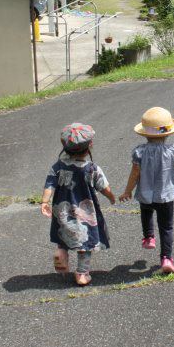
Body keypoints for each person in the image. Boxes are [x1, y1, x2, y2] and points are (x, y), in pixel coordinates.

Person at [120, 107, 174, 274]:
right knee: (166, 227)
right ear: (168, 133)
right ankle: (166, 259)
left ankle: (149, 237)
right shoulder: (173, 150)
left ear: (145, 133)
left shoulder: (140, 151)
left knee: (146, 213)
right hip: (166, 195)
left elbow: (135, 173)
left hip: (145, 194)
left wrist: (128, 191)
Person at [40, 123, 116, 286]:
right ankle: (82, 274)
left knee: (63, 234)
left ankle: (61, 252)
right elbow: (104, 187)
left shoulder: (58, 167)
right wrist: (111, 197)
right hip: (85, 213)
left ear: (63, 145)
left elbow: (49, 186)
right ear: (90, 145)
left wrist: (45, 202)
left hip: (62, 210)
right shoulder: (92, 169)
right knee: (85, 242)